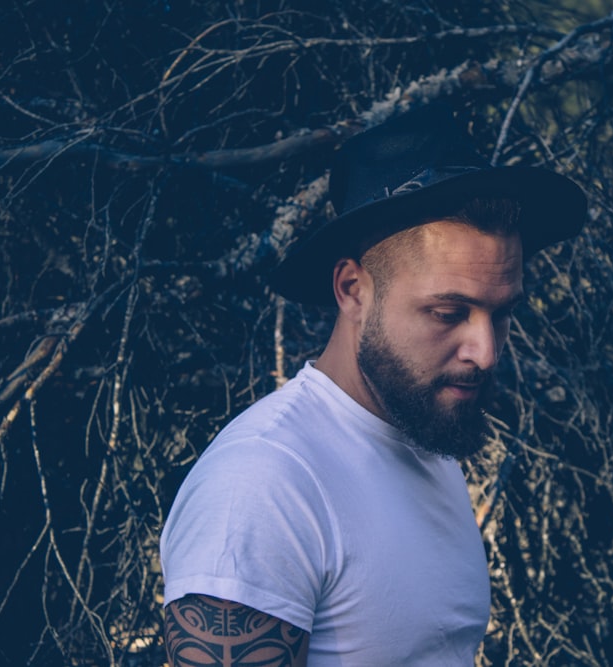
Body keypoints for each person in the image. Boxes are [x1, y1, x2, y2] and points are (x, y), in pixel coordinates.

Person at [159, 104, 586, 666]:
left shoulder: (420, 429)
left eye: (501, 314)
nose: (483, 352)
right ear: (353, 289)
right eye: (448, 312)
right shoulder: (264, 485)